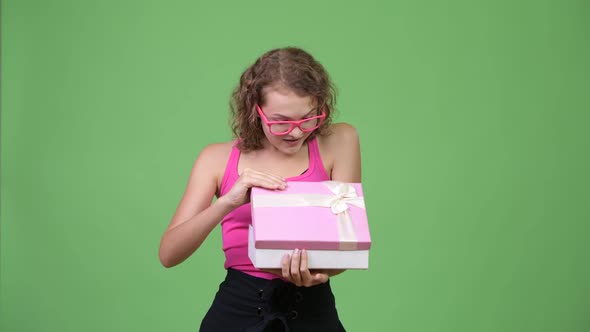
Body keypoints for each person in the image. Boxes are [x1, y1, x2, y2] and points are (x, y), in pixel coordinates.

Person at [158, 46, 361, 332]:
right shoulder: (215, 159)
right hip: (238, 308)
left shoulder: (341, 141)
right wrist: (228, 201)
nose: (295, 132)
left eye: (309, 118)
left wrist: (318, 271)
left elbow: (347, 243)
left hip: (313, 307)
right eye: (280, 122)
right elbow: (169, 254)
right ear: (256, 110)